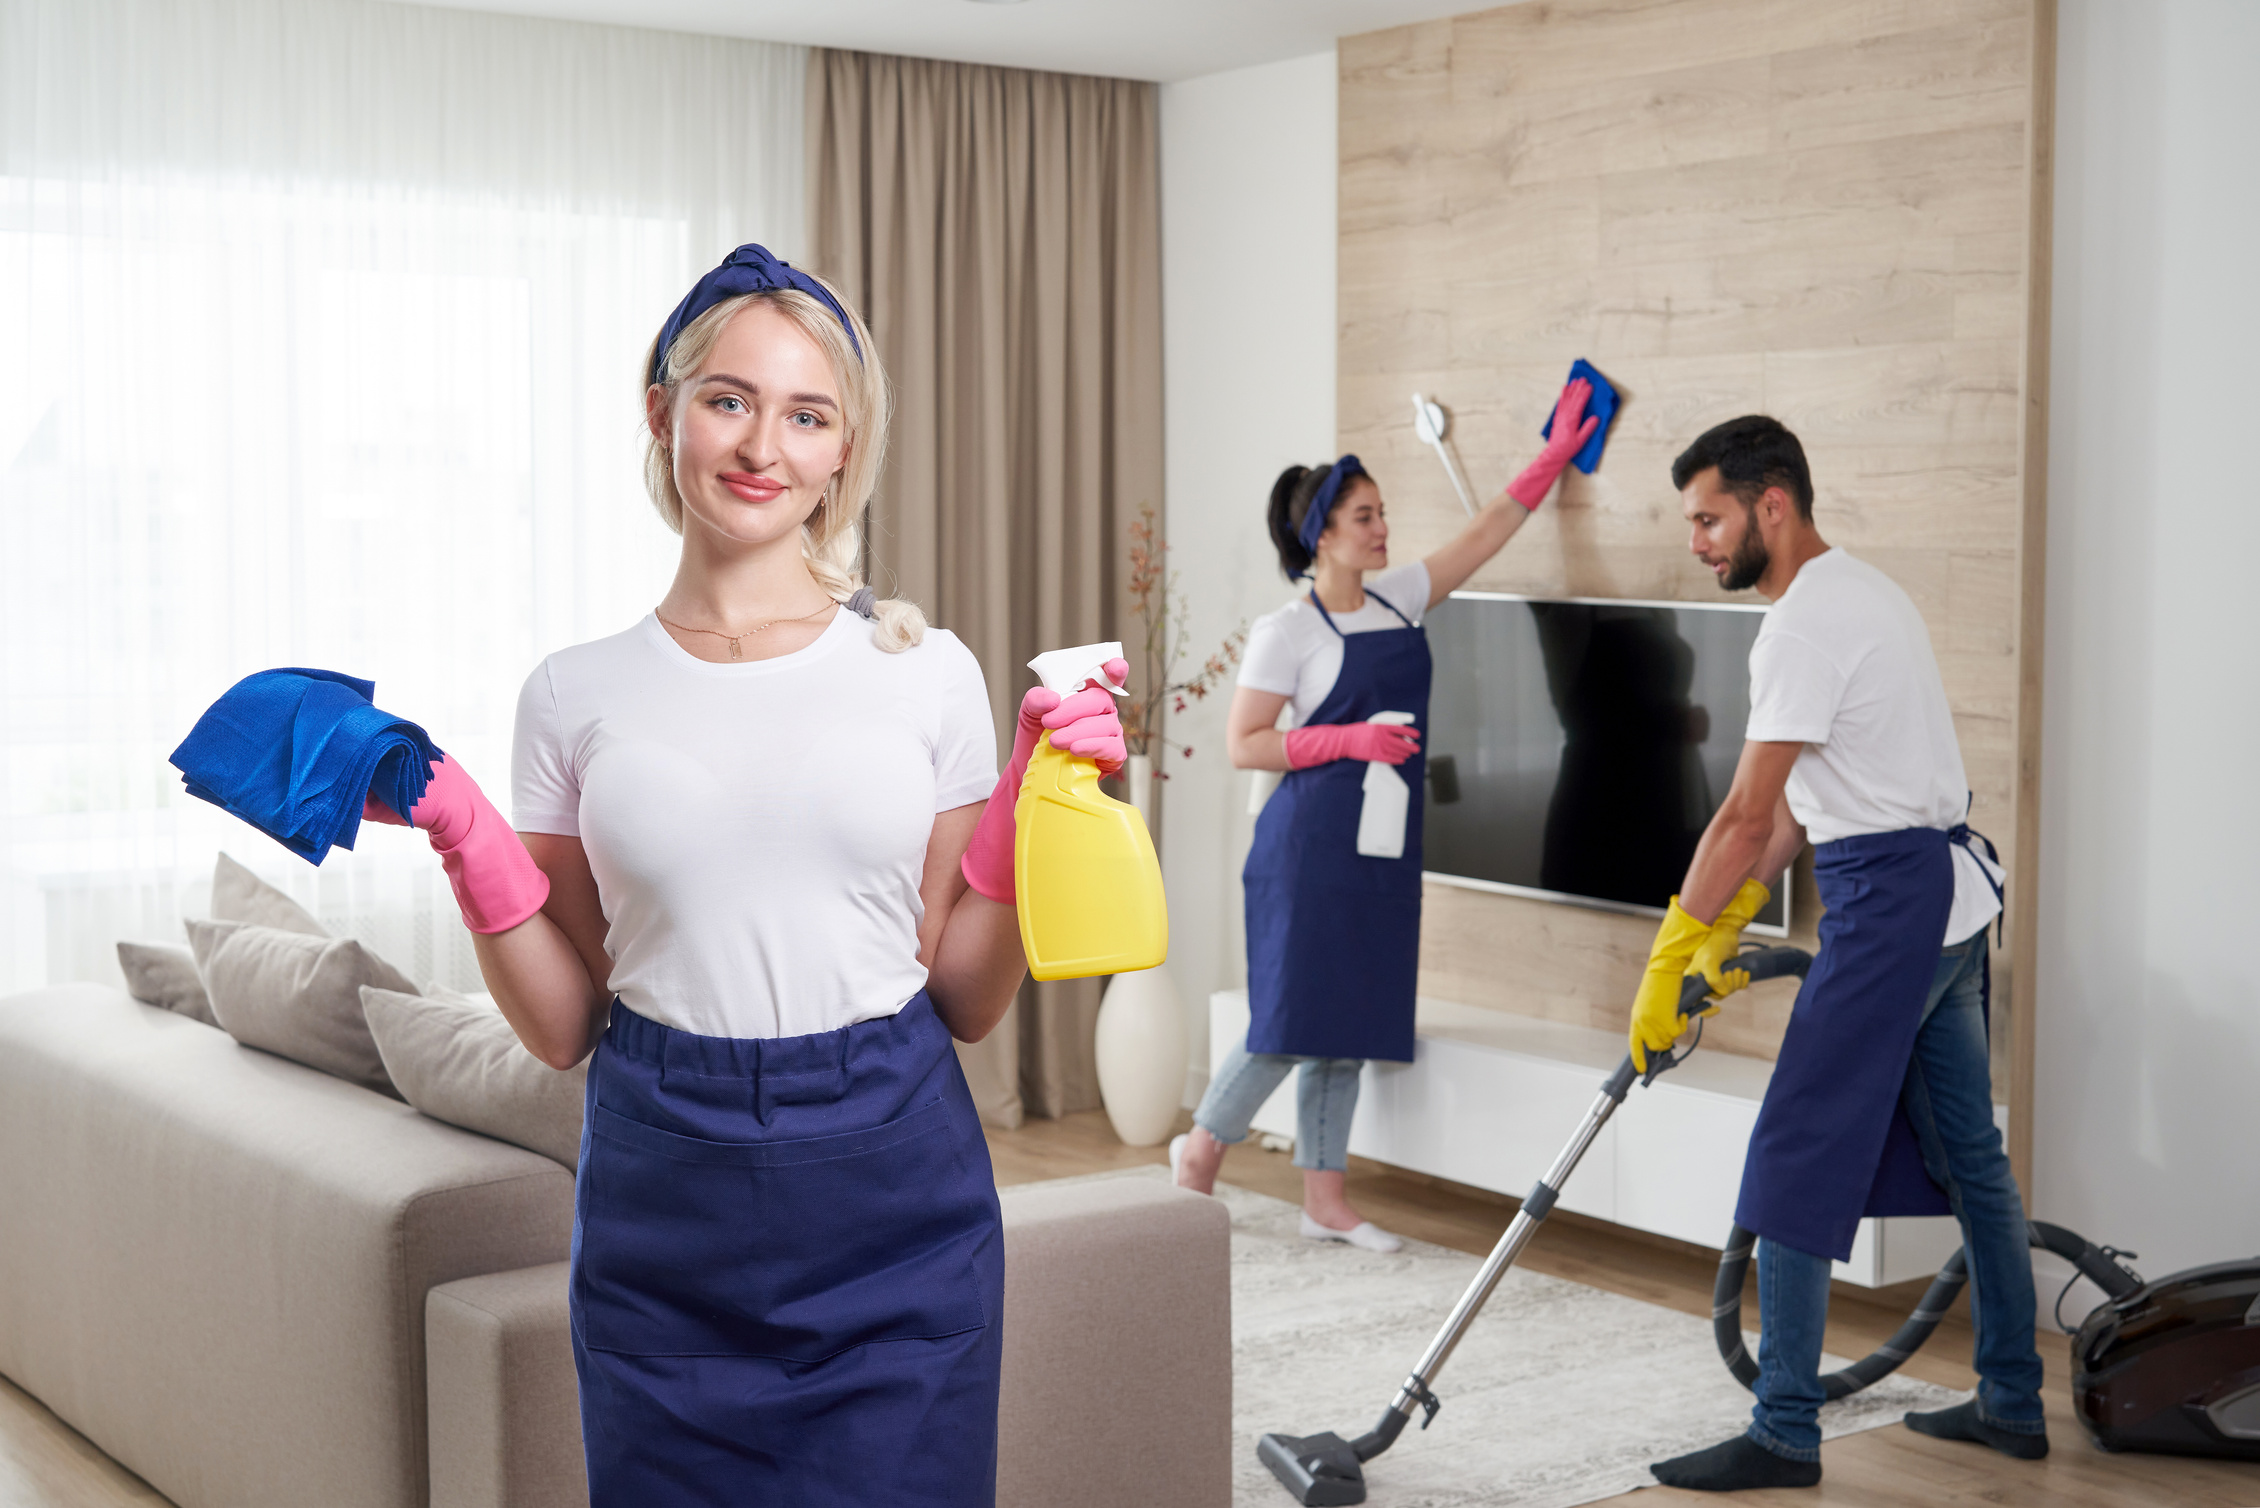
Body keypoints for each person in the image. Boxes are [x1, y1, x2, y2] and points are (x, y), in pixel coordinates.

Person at [363, 244, 1126, 1504]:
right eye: (729, 399)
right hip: (668, 1186)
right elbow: (563, 1024)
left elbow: (971, 998)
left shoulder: (926, 670)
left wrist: (1042, 796)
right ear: (662, 413)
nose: (761, 443)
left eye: (805, 413)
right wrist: (459, 821)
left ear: (841, 451)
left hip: (893, 1177)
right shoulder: (572, 692)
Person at [1634, 416, 2039, 1492]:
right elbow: (1787, 826)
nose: (1700, 541)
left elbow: (1739, 815)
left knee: (1795, 1153)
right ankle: (2010, 1394)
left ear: (1774, 502)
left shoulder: (1801, 627)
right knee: (1971, 1160)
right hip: (1943, 906)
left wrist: (1669, 944)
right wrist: (1720, 931)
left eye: (1710, 517)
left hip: (1889, 908)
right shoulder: (1866, 590)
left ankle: (1782, 1430)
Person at [1171, 379, 1600, 1248]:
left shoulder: (1401, 594)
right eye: (1364, 516)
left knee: (1350, 1022)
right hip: (1304, 849)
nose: (1381, 528)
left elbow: (1485, 534)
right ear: (1322, 534)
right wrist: (1350, 740)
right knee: (1289, 1020)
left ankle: (1325, 1200)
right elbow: (1246, 743)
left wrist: (1551, 458)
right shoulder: (1286, 632)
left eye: (1380, 513)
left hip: (1381, 843)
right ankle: (1201, 1154)